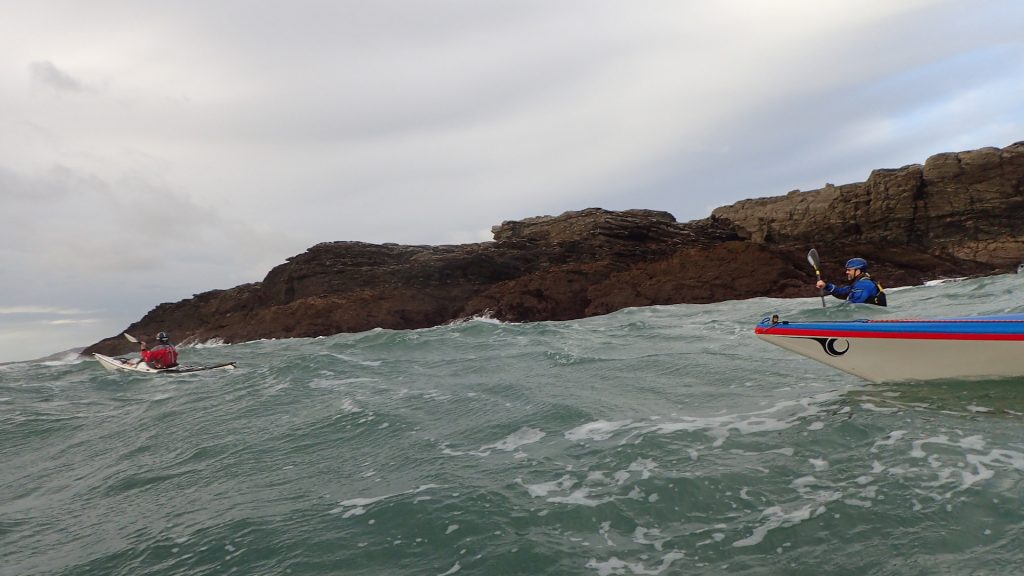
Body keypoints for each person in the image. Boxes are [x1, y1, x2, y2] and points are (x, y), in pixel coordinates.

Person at [815, 257, 887, 306]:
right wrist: (826, 286)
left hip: (871, 321)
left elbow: (855, 304)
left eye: (849, 270)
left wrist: (833, 313)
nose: (846, 272)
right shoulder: (858, 283)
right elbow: (842, 292)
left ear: (858, 271)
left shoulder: (864, 284)